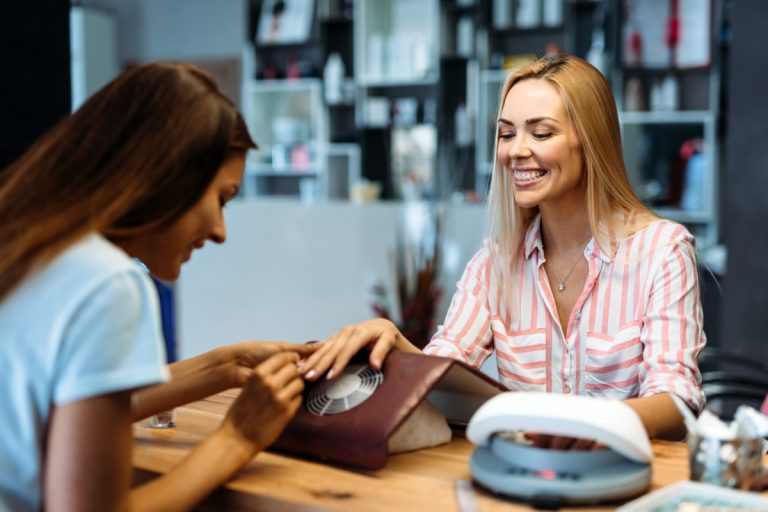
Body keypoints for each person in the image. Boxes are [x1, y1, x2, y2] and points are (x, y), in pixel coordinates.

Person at [300, 55, 705, 447]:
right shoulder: (495, 263)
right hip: (519, 476)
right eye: (507, 133)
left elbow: (676, 402)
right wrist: (393, 342)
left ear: (592, 142)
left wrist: (598, 425)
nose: (515, 151)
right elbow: (445, 366)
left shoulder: (662, 252)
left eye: (541, 133)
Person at [0, 62, 315, 511]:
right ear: (169, 173)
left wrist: (226, 364)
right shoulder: (107, 283)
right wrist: (237, 438)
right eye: (220, 200)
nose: (222, 231)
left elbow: (66, 409)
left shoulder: (30, 246)